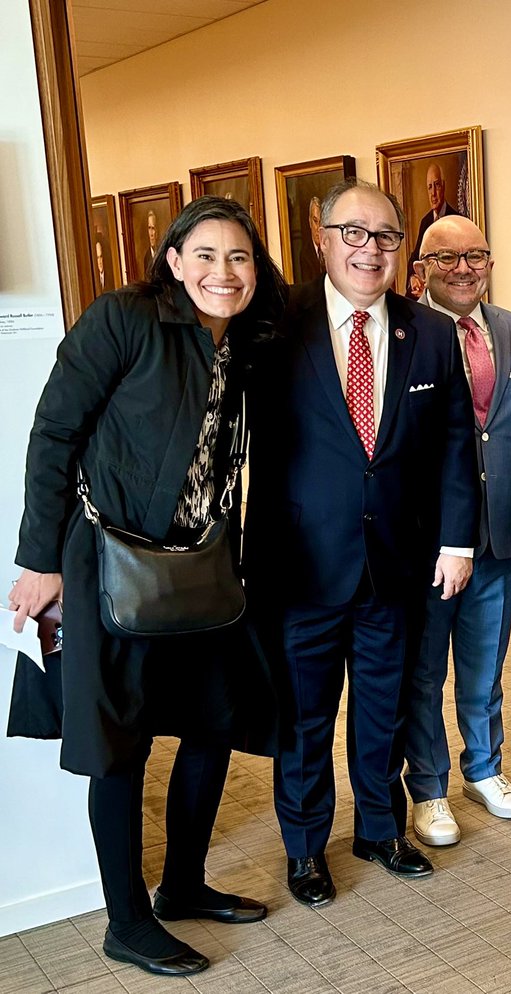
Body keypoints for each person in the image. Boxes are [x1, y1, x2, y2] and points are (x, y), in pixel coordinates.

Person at [7, 196, 287, 976]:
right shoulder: (123, 319)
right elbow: (54, 432)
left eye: (239, 258)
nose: (222, 272)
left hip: (204, 567)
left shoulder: (254, 337)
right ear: (172, 259)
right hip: (112, 564)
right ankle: (125, 921)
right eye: (204, 254)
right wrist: (39, 560)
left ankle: (184, 884)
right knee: (119, 742)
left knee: (210, 724)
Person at [244, 178, 478, 908]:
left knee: (385, 709)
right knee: (307, 719)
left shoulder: (429, 332)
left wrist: (458, 542)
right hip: (302, 567)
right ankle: (305, 848)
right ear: (321, 237)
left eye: (383, 236)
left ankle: (379, 829)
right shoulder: (274, 324)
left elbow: (452, 450)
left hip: (396, 566)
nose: (368, 249)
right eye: (353, 232)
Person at [404, 215, 511, 846]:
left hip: (497, 536)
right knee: (424, 673)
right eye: (445, 257)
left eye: (475, 255)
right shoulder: (403, 331)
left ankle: (485, 768)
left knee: (485, 666)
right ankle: (429, 787)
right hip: (426, 544)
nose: (462, 268)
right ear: (421, 268)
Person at [406, 163, 462, 297]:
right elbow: (415, 256)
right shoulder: (425, 221)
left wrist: (428, 287)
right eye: (429, 187)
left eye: (436, 185)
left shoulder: (457, 220)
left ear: (443, 186)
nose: (433, 193)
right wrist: (413, 277)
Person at [141, 209, 159, 279]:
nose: (151, 234)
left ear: (158, 230)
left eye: (153, 228)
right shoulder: (147, 257)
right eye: (149, 228)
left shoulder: (164, 253)